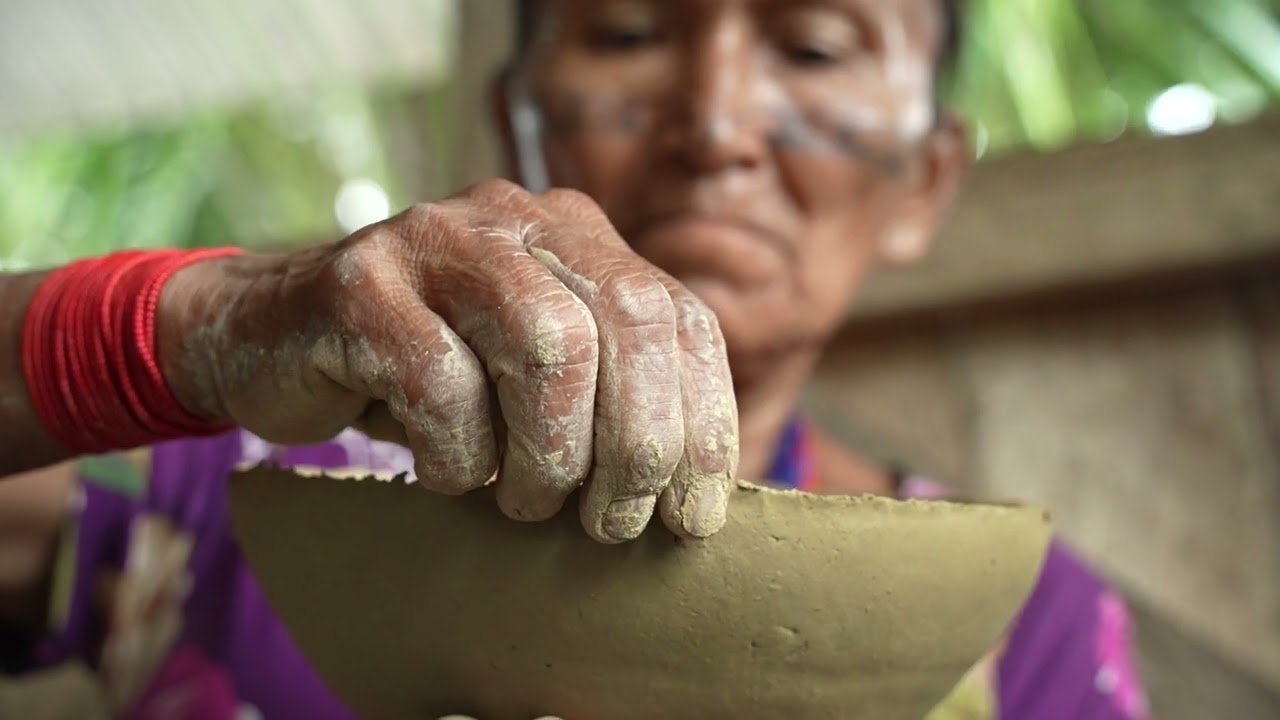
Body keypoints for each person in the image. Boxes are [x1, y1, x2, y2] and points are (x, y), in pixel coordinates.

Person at [0, 0, 1150, 718]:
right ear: (519, 124)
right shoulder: (232, 485)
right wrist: (196, 330)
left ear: (924, 182)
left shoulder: (1017, 628)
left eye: (811, 45)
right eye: (629, 34)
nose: (713, 123)